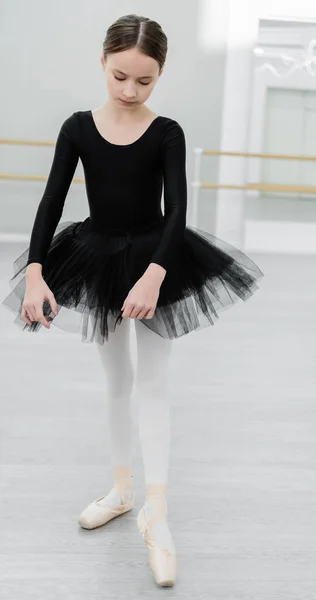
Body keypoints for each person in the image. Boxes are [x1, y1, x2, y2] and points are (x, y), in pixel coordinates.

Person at [2, 13, 264, 588]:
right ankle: (121, 488)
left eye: (143, 82)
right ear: (103, 61)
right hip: (96, 256)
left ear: (160, 76)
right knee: (115, 380)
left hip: (156, 260)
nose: (129, 90)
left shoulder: (167, 131)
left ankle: (158, 513)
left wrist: (154, 274)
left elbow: (178, 212)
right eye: (120, 76)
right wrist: (38, 270)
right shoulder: (77, 127)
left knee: (153, 383)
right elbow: (50, 202)